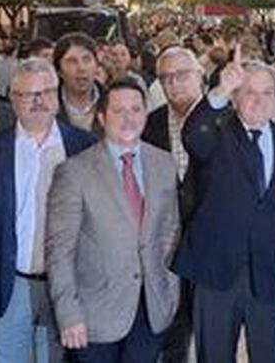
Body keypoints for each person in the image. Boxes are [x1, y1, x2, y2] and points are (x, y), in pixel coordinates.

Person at [173, 61, 275, 363]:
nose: (258, 100)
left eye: (267, 92)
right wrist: (220, 89)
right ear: (235, 97)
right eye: (249, 92)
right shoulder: (215, 136)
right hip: (215, 275)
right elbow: (192, 135)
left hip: (271, 276)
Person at [0, 59, 96, 363]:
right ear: (12, 99)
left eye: (47, 92)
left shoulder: (85, 147)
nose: (39, 101)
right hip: (9, 284)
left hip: (68, 286)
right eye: (29, 95)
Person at [44, 79, 181, 362]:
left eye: (136, 109)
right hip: (94, 313)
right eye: (119, 111)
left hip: (152, 309)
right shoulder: (74, 172)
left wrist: (169, 288)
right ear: (102, 117)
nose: (129, 118)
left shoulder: (163, 163)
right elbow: (59, 251)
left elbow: (170, 230)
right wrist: (68, 314)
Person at [142, 46, 206, 363]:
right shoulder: (149, 126)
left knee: (210, 335)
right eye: (165, 78)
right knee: (172, 336)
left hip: (209, 250)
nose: (174, 84)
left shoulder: (225, 122)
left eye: (182, 75)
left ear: (200, 76)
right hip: (163, 252)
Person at [55, 34, 105, 135]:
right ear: (59, 70)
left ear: (96, 65)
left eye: (87, 60)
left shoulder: (112, 102)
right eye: (72, 61)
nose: (81, 68)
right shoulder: (49, 107)